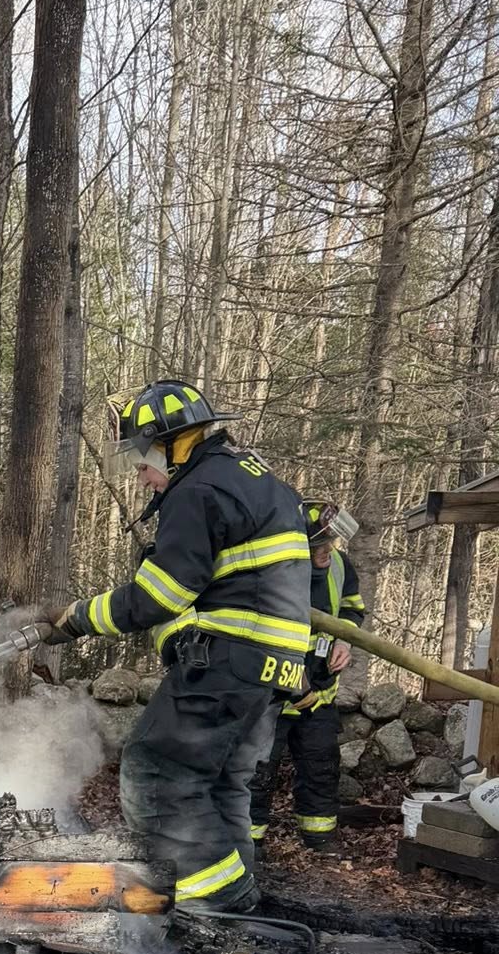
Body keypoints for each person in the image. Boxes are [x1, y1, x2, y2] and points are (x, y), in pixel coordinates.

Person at [40, 380, 312, 916]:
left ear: (175, 443)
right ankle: (241, 906)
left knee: (156, 774)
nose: (141, 476)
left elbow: (161, 596)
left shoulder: (197, 489)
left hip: (232, 657)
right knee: (221, 787)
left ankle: (219, 910)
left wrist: (76, 619)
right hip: (272, 665)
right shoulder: (254, 478)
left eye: (143, 459)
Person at [248, 500, 365, 853]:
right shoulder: (271, 571)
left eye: (331, 543)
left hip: (322, 692)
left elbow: (352, 610)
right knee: (257, 771)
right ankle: (248, 844)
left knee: (321, 767)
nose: (327, 552)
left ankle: (320, 838)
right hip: (272, 697)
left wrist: (345, 640)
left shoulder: (341, 567)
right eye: (320, 546)